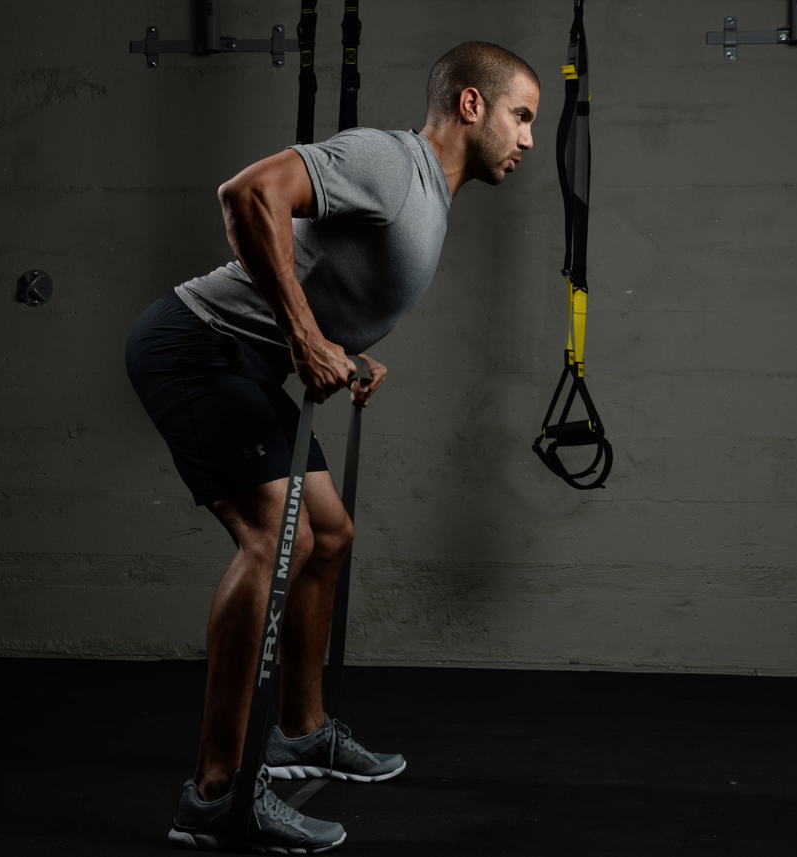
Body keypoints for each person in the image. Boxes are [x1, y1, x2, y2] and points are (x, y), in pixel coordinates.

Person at [125, 41, 540, 853]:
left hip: (244, 362)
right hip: (193, 347)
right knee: (277, 539)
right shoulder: (389, 160)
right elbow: (248, 194)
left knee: (330, 535)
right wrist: (307, 337)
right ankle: (214, 794)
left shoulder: (431, 196)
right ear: (470, 105)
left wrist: (340, 348)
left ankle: (301, 731)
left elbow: (320, 270)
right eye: (521, 116)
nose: (527, 138)